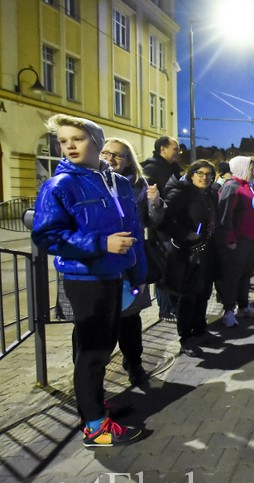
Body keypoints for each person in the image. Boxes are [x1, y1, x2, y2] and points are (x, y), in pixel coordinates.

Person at [32, 113, 146, 447]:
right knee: (92, 351)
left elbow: (134, 231)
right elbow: (48, 236)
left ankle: (93, 406)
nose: (68, 146)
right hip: (85, 278)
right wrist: (101, 244)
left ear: (96, 142)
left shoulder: (118, 183)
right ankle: (95, 427)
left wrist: (137, 274)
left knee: (101, 347)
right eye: (63, 141)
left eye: (76, 139)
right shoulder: (60, 185)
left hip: (116, 275)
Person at [100, 137, 165, 386]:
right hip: (100, 262)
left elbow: (153, 220)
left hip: (130, 261)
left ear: (128, 161)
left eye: (118, 155)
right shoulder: (91, 181)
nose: (111, 158)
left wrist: (154, 201)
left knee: (130, 318)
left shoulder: (138, 185)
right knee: (99, 323)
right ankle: (92, 378)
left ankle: (134, 363)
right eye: (106, 153)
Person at [161, 160, 220, 356]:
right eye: (200, 173)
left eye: (209, 175)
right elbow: (163, 221)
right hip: (185, 253)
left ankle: (200, 330)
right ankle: (186, 338)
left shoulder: (209, 193)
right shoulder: (180, 193)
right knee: (187, 297)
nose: (205, 178)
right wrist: (184, 233)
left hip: (206, 250)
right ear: (191, 173)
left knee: (203, 292)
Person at [216, 155, 254, 328]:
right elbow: (225, 216)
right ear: (242, 168)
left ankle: (243, 306)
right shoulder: (232, 187)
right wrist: (230, 239)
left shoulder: (250, 187)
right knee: (232, 276)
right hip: (237, 240)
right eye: (252, 168)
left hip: (251, 239)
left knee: (246, 274)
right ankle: (228, 310)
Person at [141, 136, 182, 322]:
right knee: (163, 269)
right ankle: (166, 309)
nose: (179, 152)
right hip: (161, 230)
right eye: (176, 149)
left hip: (174, 228)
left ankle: (174, 305)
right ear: (163, 149)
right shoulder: (151, 169)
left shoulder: (172, 168)